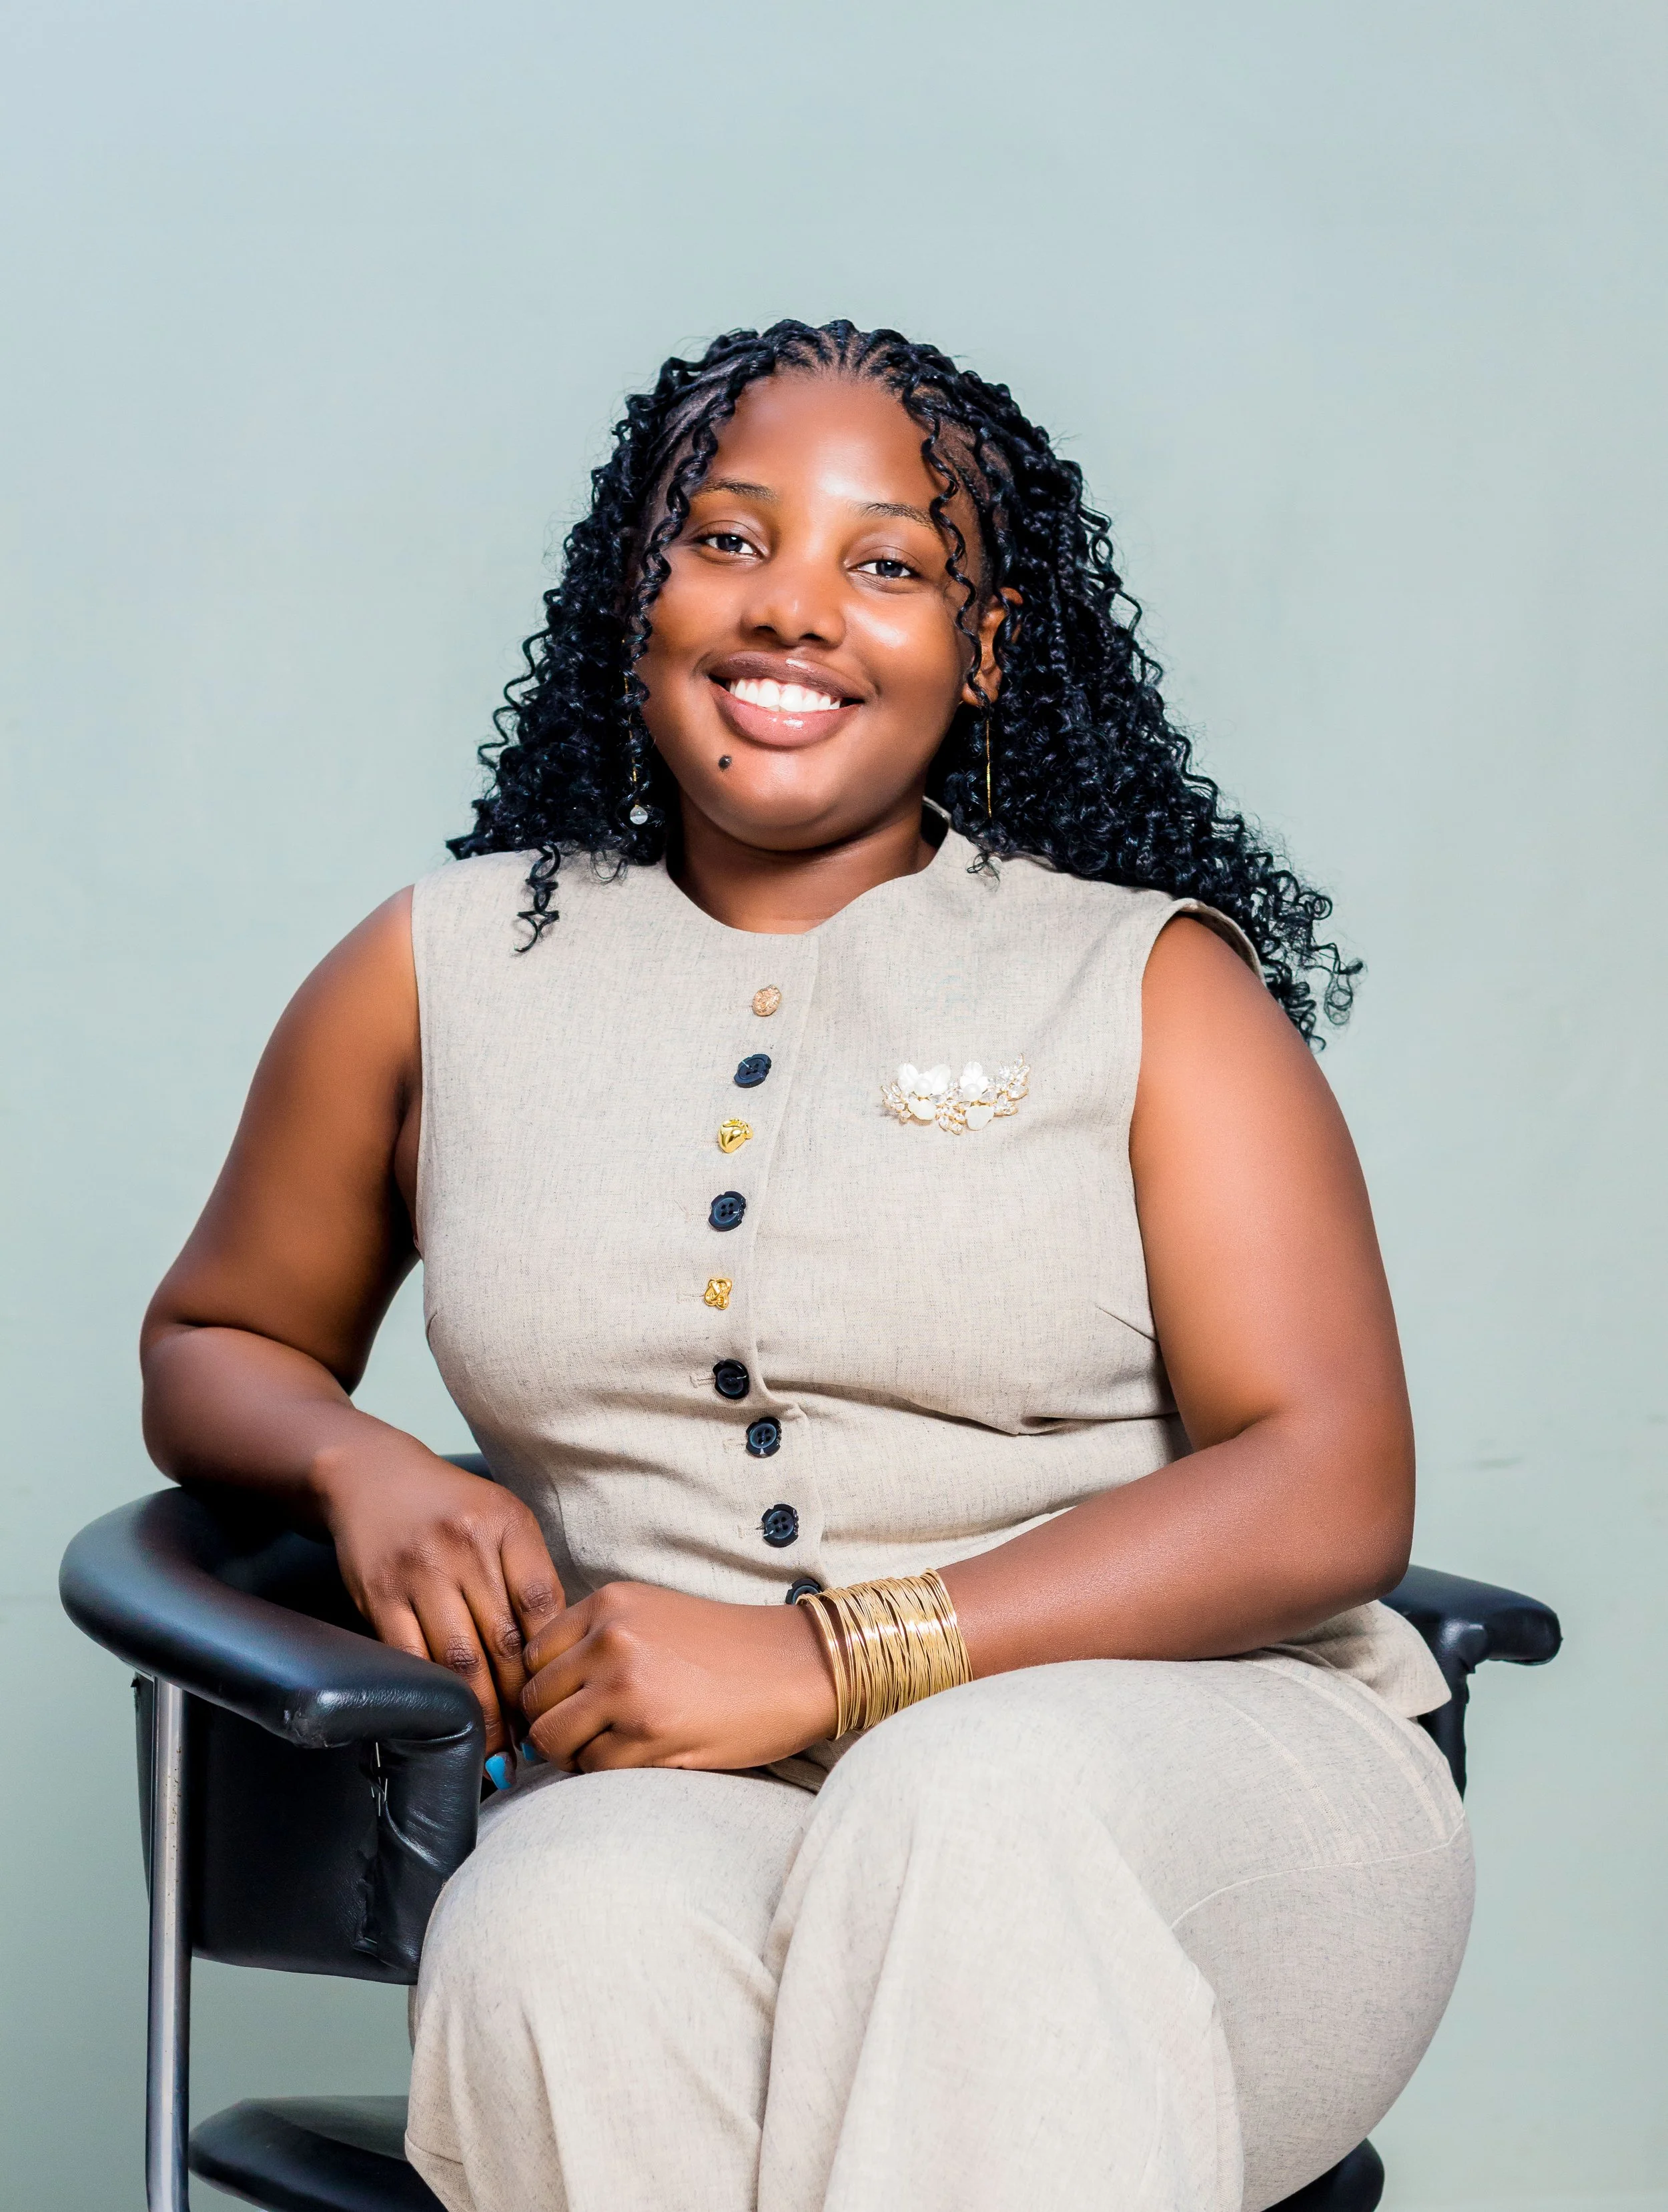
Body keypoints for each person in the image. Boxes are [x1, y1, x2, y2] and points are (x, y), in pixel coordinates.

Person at [140, 320, 1471, 2212]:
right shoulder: (435, 974)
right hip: (701, 1808)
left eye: (888, 565)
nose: (793, 611)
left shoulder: (1148, 984)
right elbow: (216, 1334)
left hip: (1201, 1791)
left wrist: (827, 1656)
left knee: (961, 1800)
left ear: (984, 645)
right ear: (637, 589)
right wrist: (364, 1464)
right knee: (555, 1922)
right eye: (730, 539)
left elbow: (1331, 1480)